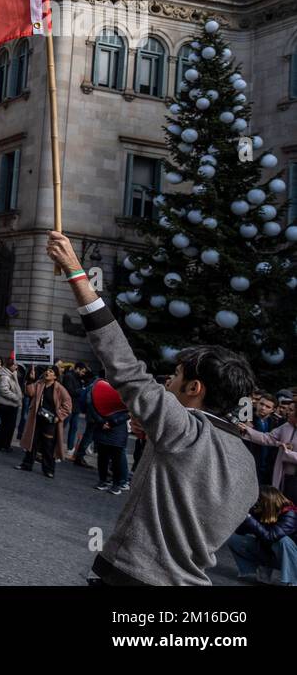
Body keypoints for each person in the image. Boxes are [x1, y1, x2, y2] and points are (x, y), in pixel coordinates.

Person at [47, 230, 260, 586]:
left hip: (130, 577)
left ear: (195, 388)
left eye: (174, 376)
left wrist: (74, 271)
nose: (166, 384)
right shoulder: (248, 465)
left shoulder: (183, 431)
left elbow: (123, 365)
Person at [226, 487, 297, 586]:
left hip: (291, 557)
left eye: (259, 501)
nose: (256, 504)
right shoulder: (263, 511)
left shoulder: (290, 514)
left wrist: (250, 520)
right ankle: (263, 567)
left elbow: (270, 536)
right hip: (270, 552)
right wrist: (245, 515)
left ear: (268, 502)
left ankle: (293, 581)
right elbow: (240, 532)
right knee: (233, 539)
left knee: (283, 541)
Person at [16, 364, 70, 478]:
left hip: (50, 423)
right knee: (32, 443)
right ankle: (27, 464)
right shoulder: (39, 383)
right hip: (37, 420)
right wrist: (30, 379)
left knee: (48, 446)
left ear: (55, 376)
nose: (47, 373)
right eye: (47, 371)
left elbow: (68, 405)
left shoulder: (60, 388)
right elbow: (30, 393)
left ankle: (49, 470)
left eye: (50, 371)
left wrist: (58, 416)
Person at [241, 398, 297, 500]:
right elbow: (267, 438)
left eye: (291, 410)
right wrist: (246, 430)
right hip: (281, 475)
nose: (286, 412)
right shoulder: (286, 426)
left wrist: (288, 453)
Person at [88, 379, 131, 495]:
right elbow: (91, 404)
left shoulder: (127, 390)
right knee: (102, 457)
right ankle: (102, 481)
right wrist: (101, 421)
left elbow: (130, 411)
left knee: (116, 459)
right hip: (103, 427)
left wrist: (112, 422)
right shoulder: (99, 386)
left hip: (117, 430)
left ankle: (116, 484)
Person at [0, 356, 23, 451]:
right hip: (7, 404)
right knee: (8, 425)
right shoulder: (5, 376)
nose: (16, 367)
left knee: (6, 425)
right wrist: (16, 397)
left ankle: (1, 443)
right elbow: (4, 390)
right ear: (10, 365)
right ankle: (2, 444)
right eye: (15, 365)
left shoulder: (11, 374)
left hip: (9, 403)